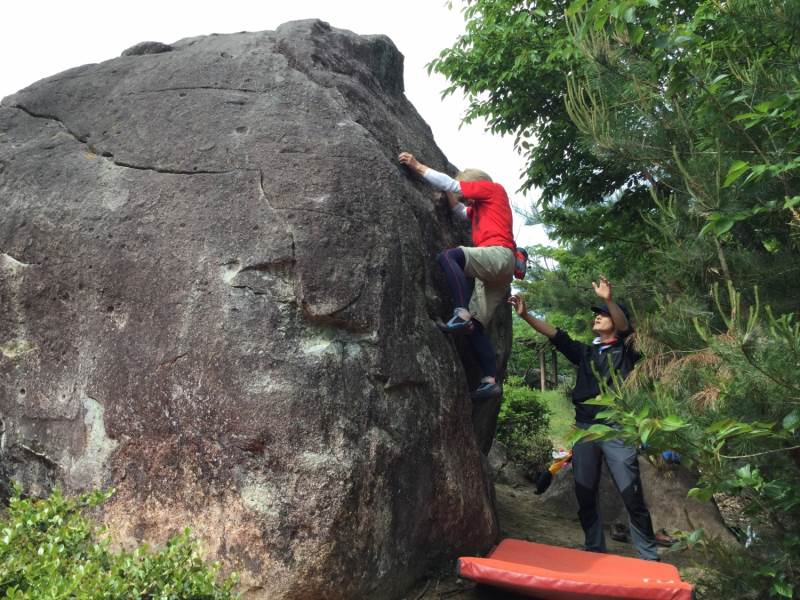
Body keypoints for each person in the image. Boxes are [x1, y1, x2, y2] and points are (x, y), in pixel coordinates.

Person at [509, 278, 659, 560]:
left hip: (617, 429)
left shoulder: (627, 350)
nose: (597, 317)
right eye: (597, 314)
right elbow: (557, 336)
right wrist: (526, 315)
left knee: (631, 493)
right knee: (585, 491)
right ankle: (594, 548)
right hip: (585, 429)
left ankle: (648, 555)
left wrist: (608, 300)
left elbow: (625, 328)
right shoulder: (587, 353)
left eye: (603, 314)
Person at [398, 151, 516, 400]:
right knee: (475, 326)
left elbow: (454, 186)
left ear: (476, 183)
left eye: (466, 188)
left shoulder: (493, 190)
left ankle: (460, 312)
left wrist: (418, 166)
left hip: (498, 254)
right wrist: (451, 195)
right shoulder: (481, 209)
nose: (466, 195)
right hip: (500, 273)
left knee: (448, 257)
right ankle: (489, 380)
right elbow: (460, 211)